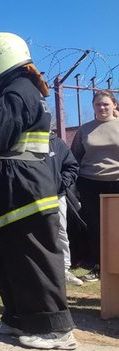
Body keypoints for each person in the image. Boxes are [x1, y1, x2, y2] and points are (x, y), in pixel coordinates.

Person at [0, 32, 76, 349]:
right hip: (16, 192)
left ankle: (56, 329)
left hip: (26, 192)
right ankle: (17, 318)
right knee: (10, 260)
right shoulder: (17, 91)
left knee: (36, 260)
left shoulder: (15, 93)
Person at [71, 90, 119, 282]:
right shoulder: (85, 129)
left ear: (114, 105)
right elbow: (75, 156)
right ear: (93, 107)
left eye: (106, 104)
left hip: (117, 182)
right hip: (90, 183)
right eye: (98, 104)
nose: (102, 107)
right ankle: (99, 267)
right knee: (95, 227)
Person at [45, 133, 83, 286]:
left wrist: (61, 184)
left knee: (60, 231)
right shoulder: (21, 139)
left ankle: (64, 269)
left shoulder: (57, 143)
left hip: (56, 195)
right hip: (30, 196)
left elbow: (72, 166)